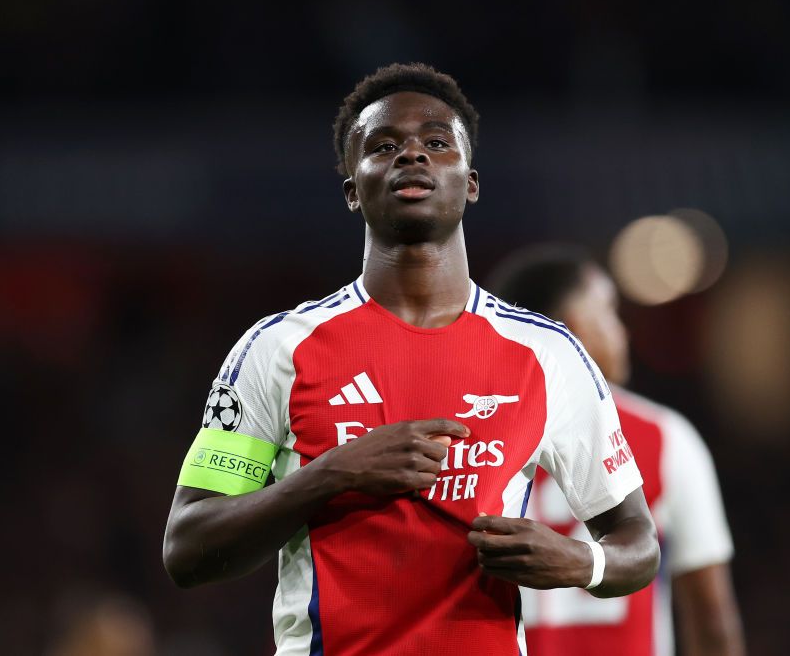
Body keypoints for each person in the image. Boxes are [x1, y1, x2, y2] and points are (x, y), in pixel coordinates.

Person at [162, 63, 659, 656]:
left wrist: (583, 561)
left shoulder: (548, 354)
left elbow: (637, 541)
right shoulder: (278, 349)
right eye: (384, 146)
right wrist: (330, 475)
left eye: (436, 142)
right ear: (353, 190)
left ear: (470, 182)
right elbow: (187, 550)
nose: (412, 156)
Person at [489, 244, 744, 656]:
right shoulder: (663, 436)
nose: (622, 332)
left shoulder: (464, 435)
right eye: (609, 312)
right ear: (573, 329)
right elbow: (712, 617)